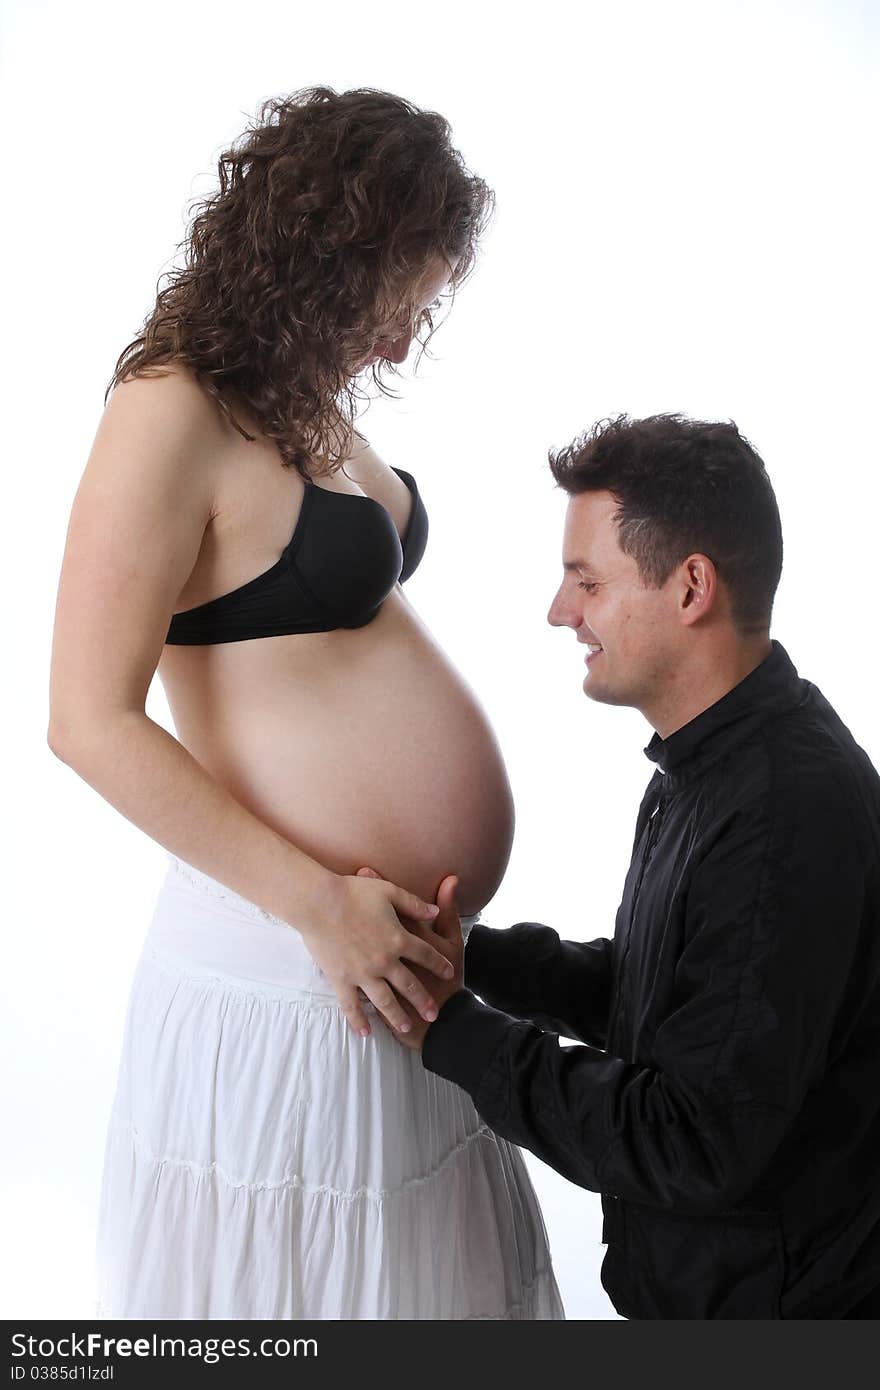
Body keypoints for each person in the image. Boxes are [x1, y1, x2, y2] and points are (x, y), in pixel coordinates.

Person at [47, 86, 563, 1320]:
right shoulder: (167, 411)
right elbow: (86, 720)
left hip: (384, 964)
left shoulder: (305, 396)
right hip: (287, 964)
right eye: (399, 302)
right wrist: (319, 904)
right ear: (324, 258)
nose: (399, 344)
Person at [367, 413, 880, 1320]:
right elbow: (669, 1008)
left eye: (587, 581)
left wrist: (452, 1031)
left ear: (691, 589)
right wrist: (475, 960)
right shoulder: (710, 763)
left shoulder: (783, 811)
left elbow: (691, 1138)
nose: (560, 612)